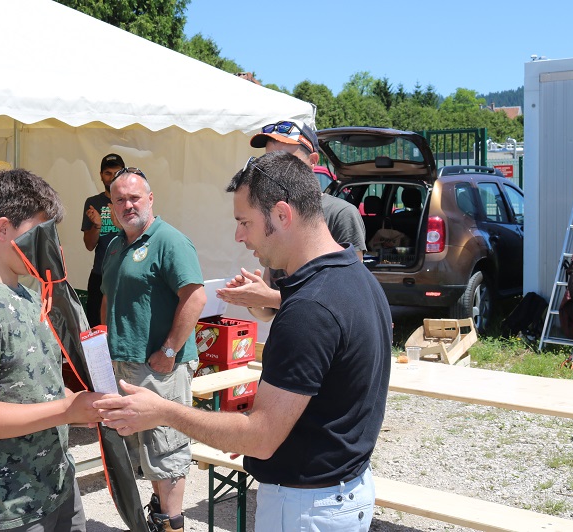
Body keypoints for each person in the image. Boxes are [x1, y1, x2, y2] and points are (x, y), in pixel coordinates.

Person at [95, 151, 392, 532]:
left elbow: (261, 438)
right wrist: (249, 428)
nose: (239, 236)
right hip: (340, 492)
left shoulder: (309, 309)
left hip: (305, 508)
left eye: (244, 222)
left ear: (281, 215)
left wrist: (164, 412)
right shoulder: (356, 278)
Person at [0, 168, 104, 532]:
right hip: (2, 508)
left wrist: (80, 404)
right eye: (40, 232)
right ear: (3, 229)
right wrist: (67, 409)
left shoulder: (27, 295)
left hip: (55, 489)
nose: (48, 245)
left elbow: (33, 386)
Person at [101, 167, 206, 532]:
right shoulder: (115, 244)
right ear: (111, 207)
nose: (127, 205)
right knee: (143, 452)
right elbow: (109, 297)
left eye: (134, 197)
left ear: (150, 199)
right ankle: (157, 518)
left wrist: (170, 349)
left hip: (161, 367)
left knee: (166, 450)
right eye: (119, 200)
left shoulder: (169, 240)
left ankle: (171, 524)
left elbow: (195, 297)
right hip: (124, 363)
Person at [217, 120, 366, 321]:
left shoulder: (341, 214)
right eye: (268, 161)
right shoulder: (270, 219)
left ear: (313, 161)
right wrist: (253, 299)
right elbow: (267, 313)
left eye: (285, 160)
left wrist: (269, 297)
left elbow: (350, 297)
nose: (274, 171)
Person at [81, 153, 125, 327]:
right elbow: (89, 245)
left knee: (123, 326)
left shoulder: (130, 202)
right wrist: (97, 225)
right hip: (100, 275)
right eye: (108, 173)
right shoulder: (93, 203)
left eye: (117, 172)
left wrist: (119, 222)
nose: (112, 177)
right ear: (100, 175)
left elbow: (139, 237)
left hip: (125, 275)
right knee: (96, 329)